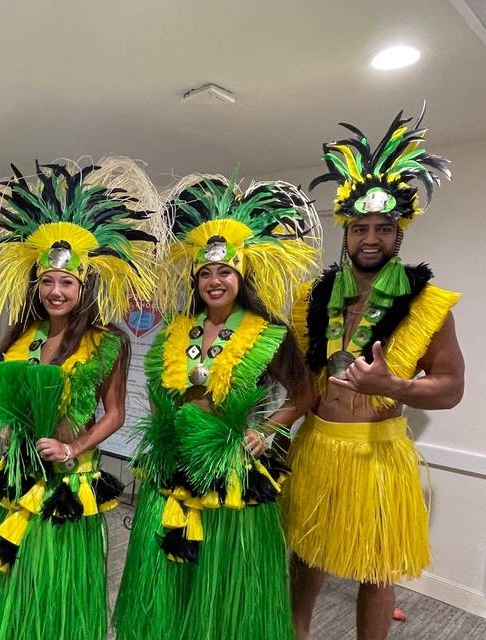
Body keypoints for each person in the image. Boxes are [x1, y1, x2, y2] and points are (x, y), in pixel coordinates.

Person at [283, 106, 465, 640]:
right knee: (306, 562)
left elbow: (452, 388)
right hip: (317, 447)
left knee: (377, 569)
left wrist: (394, 386)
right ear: (345, 230)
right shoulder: (314, 299)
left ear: (399, 232)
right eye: (360, 226)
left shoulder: (428, 305)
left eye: (383, 228)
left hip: (380, 453)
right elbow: (302, 381)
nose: (370, 238)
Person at [113, 175, 320, 640]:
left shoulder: (270, 333)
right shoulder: (174, 330)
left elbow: (306, 395)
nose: (214, 280)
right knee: (170, 571)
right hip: (174, 466)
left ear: (241, 276)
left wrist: (267, 428)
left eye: (225, 271)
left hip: (232, 470)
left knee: (224, 579)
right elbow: (158, 393)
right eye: (205, 273)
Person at [0, 158, 162, 640]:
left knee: (57, 586)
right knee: (17, 578)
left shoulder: (108, 341)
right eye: (48, 281)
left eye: (67, 282)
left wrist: (72, 448)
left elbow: (114, 413)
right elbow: (1, 399)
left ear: (83, 285)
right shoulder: (21, 337)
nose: (56, 290)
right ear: (36, 282)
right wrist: (11, 428)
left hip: (70, 478)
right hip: (21, 473)